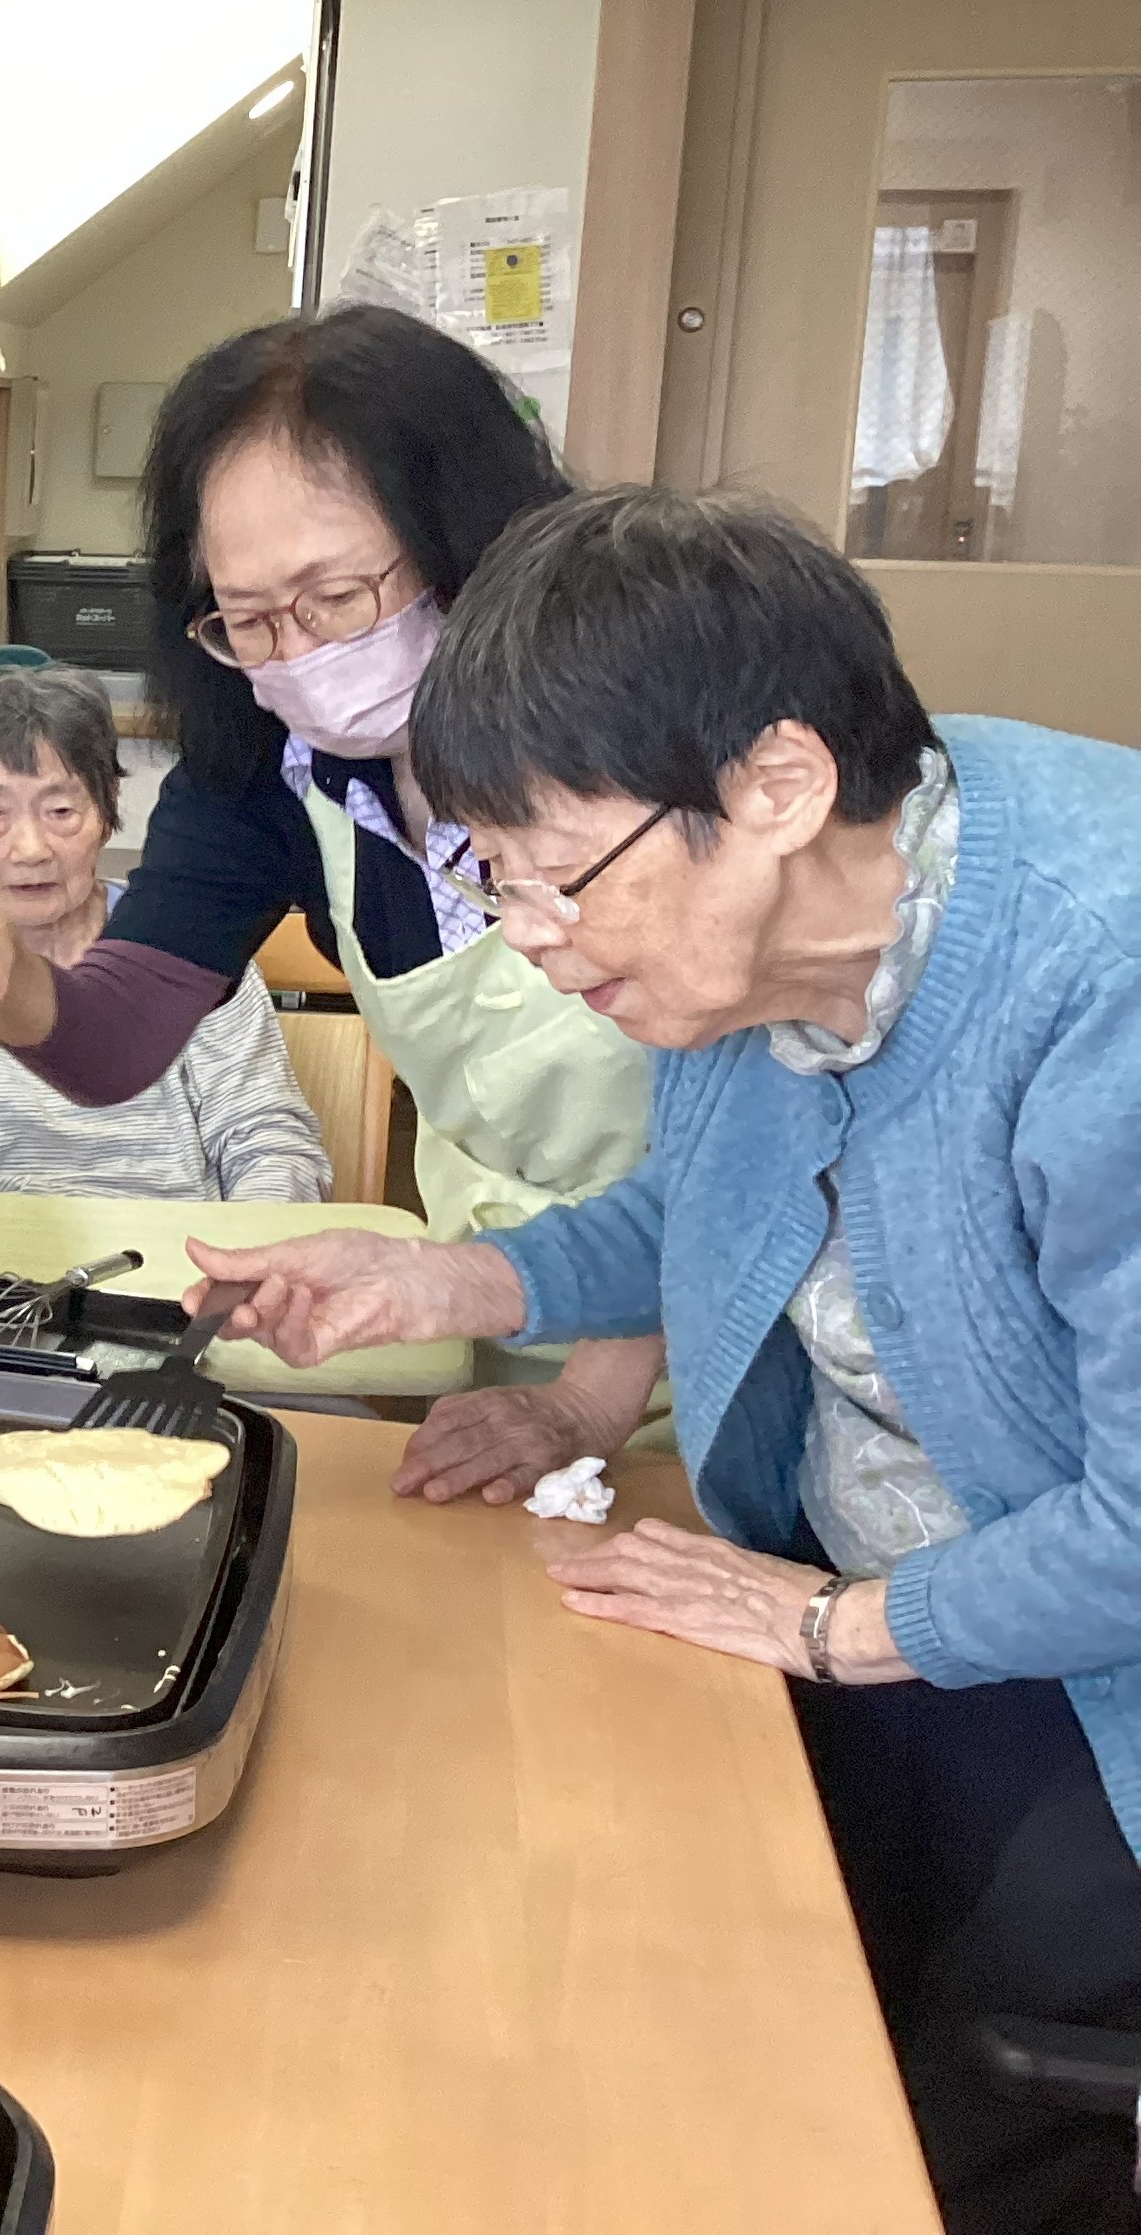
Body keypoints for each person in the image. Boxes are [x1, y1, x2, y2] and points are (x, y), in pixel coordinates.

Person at [183, 487, 1141, 2235]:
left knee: (931, 2122)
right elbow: (707, 1212)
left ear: (771, 787)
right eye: (498, 882)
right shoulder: (763, 948)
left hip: (1082, 1688)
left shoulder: (1098, 974)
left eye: (556, 878)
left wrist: (820, 1628)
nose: (528, 937)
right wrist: (431, 1279)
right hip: (869, 1604)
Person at [0, 307, 661, 1504]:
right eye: (247, 618)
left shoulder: (642, 751)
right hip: (504, 1306)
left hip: (722, 1305)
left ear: (469, 542)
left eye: (336, 596)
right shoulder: (278, 770)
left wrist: (591, 1399)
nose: (298, 652)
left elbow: (752, 1117)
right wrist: (9, 954)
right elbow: (118, 1032)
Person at [0, 666, 326, 1201]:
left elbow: (273, 1146)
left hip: (175, 1259)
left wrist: (240, 1263)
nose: (31, 849)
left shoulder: (189, 956)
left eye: (61, 811)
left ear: (106, 812)